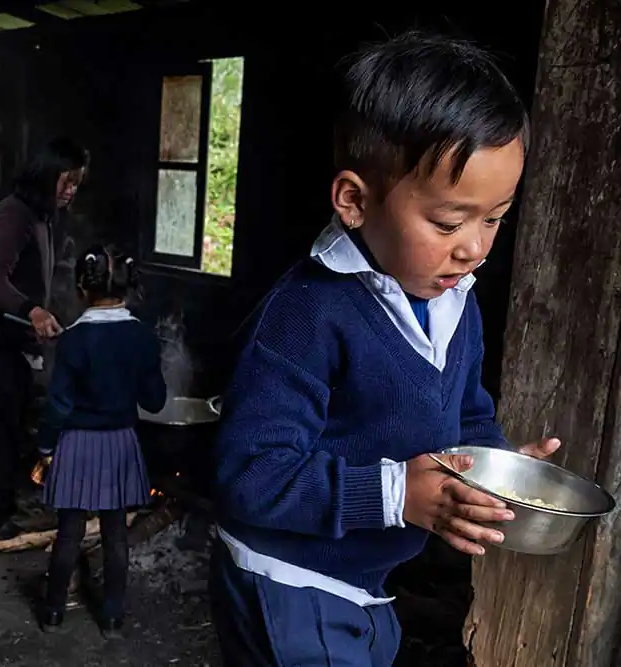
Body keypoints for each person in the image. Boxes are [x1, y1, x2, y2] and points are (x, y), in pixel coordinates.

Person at [209, 31, 562, 667]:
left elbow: (467, 416)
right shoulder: (308, 314)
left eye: (494, 218)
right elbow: (250, 474)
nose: (474, 247)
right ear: (354, 201)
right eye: (448, 223)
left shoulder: (456, 301)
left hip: (365, 581)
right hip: (287, 580)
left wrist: (498, 471)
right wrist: (396, 495)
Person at [35, 244, 166, 638]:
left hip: (76, 443)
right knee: (115, 535)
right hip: (120, 443)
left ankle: (53, 612)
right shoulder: (142, 337)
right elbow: (155, 401)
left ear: (81, 288)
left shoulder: (74, 340)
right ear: (127, 288)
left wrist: (45, 448)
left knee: (69, 533)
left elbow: (58, 405)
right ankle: (111, 618)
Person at [0, 136, 90, 538]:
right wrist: (32, 311)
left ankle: (1, 500)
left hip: (14, 337)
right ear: (46, 174)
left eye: (77, 184)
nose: (71, 191)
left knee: (13, 418)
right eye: (67, 181)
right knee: (1, 424)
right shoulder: (14, 215)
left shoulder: (42, 216)